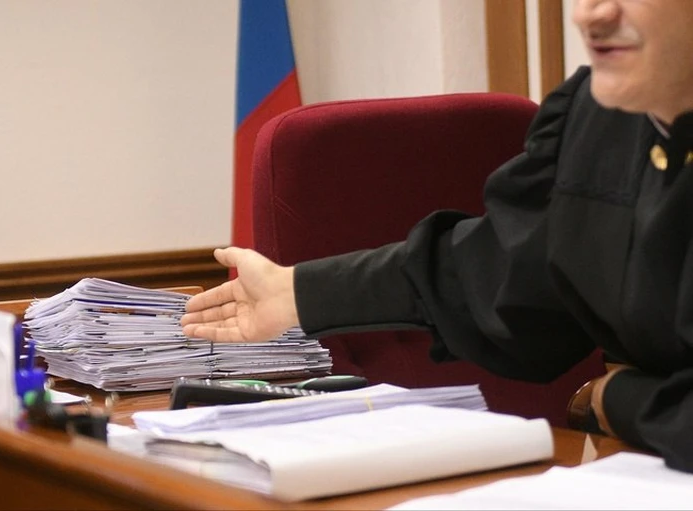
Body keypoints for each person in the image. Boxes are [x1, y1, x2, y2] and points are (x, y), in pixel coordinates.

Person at [182, 0, 693, 473]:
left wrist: (618, 400)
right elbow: (506, 277)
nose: (591, 14)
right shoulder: (601, 117)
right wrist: (298, 291)